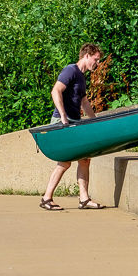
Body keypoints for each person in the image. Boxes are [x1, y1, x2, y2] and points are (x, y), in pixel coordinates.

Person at [39, 43, 104, 210]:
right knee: (65, 161)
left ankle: (84, 199)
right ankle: (46, 198)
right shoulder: (71, 70)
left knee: (84, 159)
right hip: (63, 121)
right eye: (96, 60)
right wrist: (63, 116)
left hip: (74, 121)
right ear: (87, 55)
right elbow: (55, 91)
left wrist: (94, 121)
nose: (97, 64)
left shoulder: (81, 76)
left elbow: (84, 101)